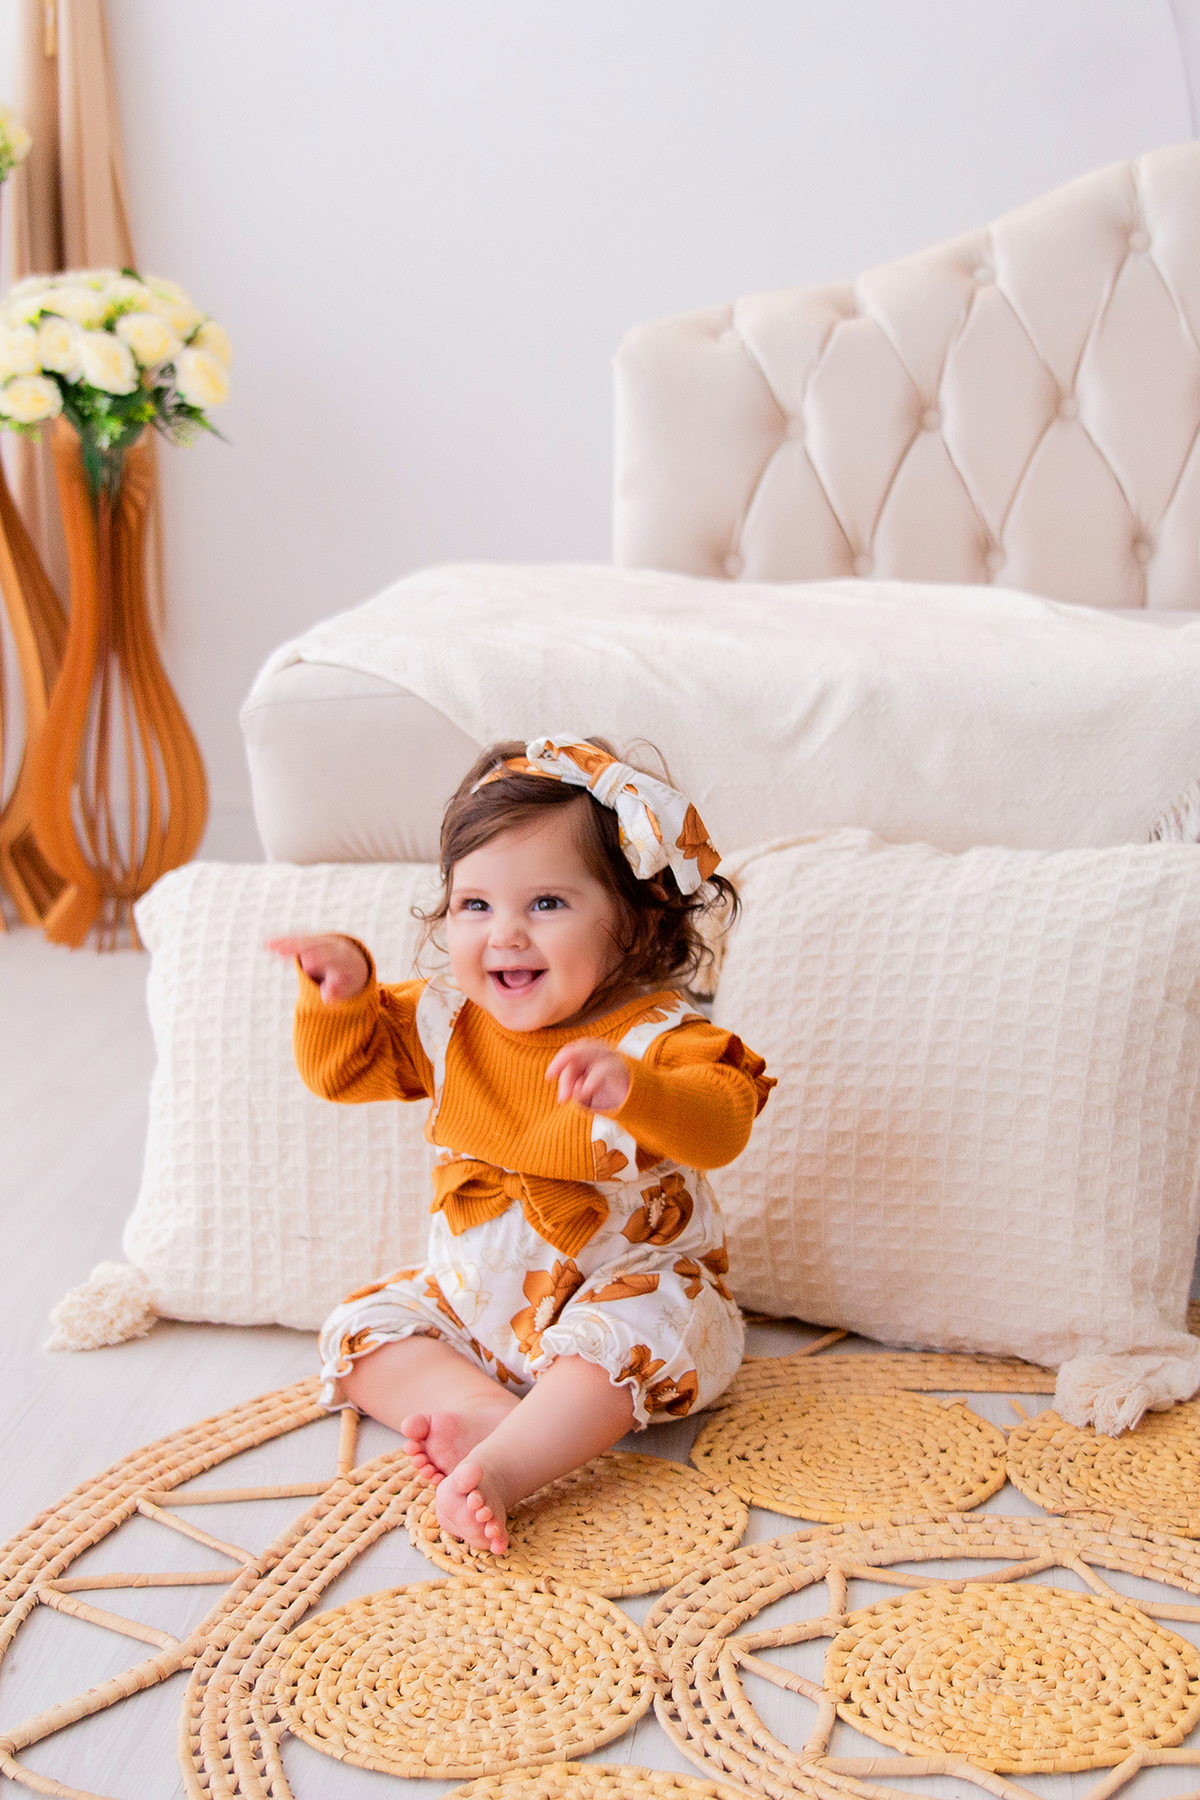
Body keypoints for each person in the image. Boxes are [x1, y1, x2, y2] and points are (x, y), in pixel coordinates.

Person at [268, 735, 774, 1555]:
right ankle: (487, 1413)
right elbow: (344, 1070)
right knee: (359, 1330)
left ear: (636, 923)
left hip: (626, 1291)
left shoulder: (652, 1038)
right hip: (480, 1314)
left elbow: (724, 1124)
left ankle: (508, 1467)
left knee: (648, 1330)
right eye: (475, 906)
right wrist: (346, 991)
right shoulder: (445, 1018)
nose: (504, 935)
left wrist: (637, 1091)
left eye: (545, 904)